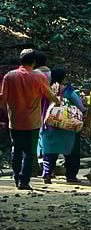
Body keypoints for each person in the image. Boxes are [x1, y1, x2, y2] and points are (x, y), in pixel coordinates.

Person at [0, 49, 61, 190]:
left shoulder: (10, 76)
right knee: (29, 151)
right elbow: (50, 95)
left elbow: (3, 98)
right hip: (33, 121)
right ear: (34, 62)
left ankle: (16, 177)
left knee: (16, 148)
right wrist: (58, 102)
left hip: (15, 120)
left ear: (20, 60)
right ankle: (24, 181)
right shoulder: (39, 77)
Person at [38, 67, 86, 184]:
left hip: (48, 124)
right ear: (64, 78)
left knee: (49, 152)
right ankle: (71, 176)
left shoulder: (45, 89)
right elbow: (81, 107)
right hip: (67, 127)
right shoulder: (68, 91)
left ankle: (47, 173)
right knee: (71, 153)